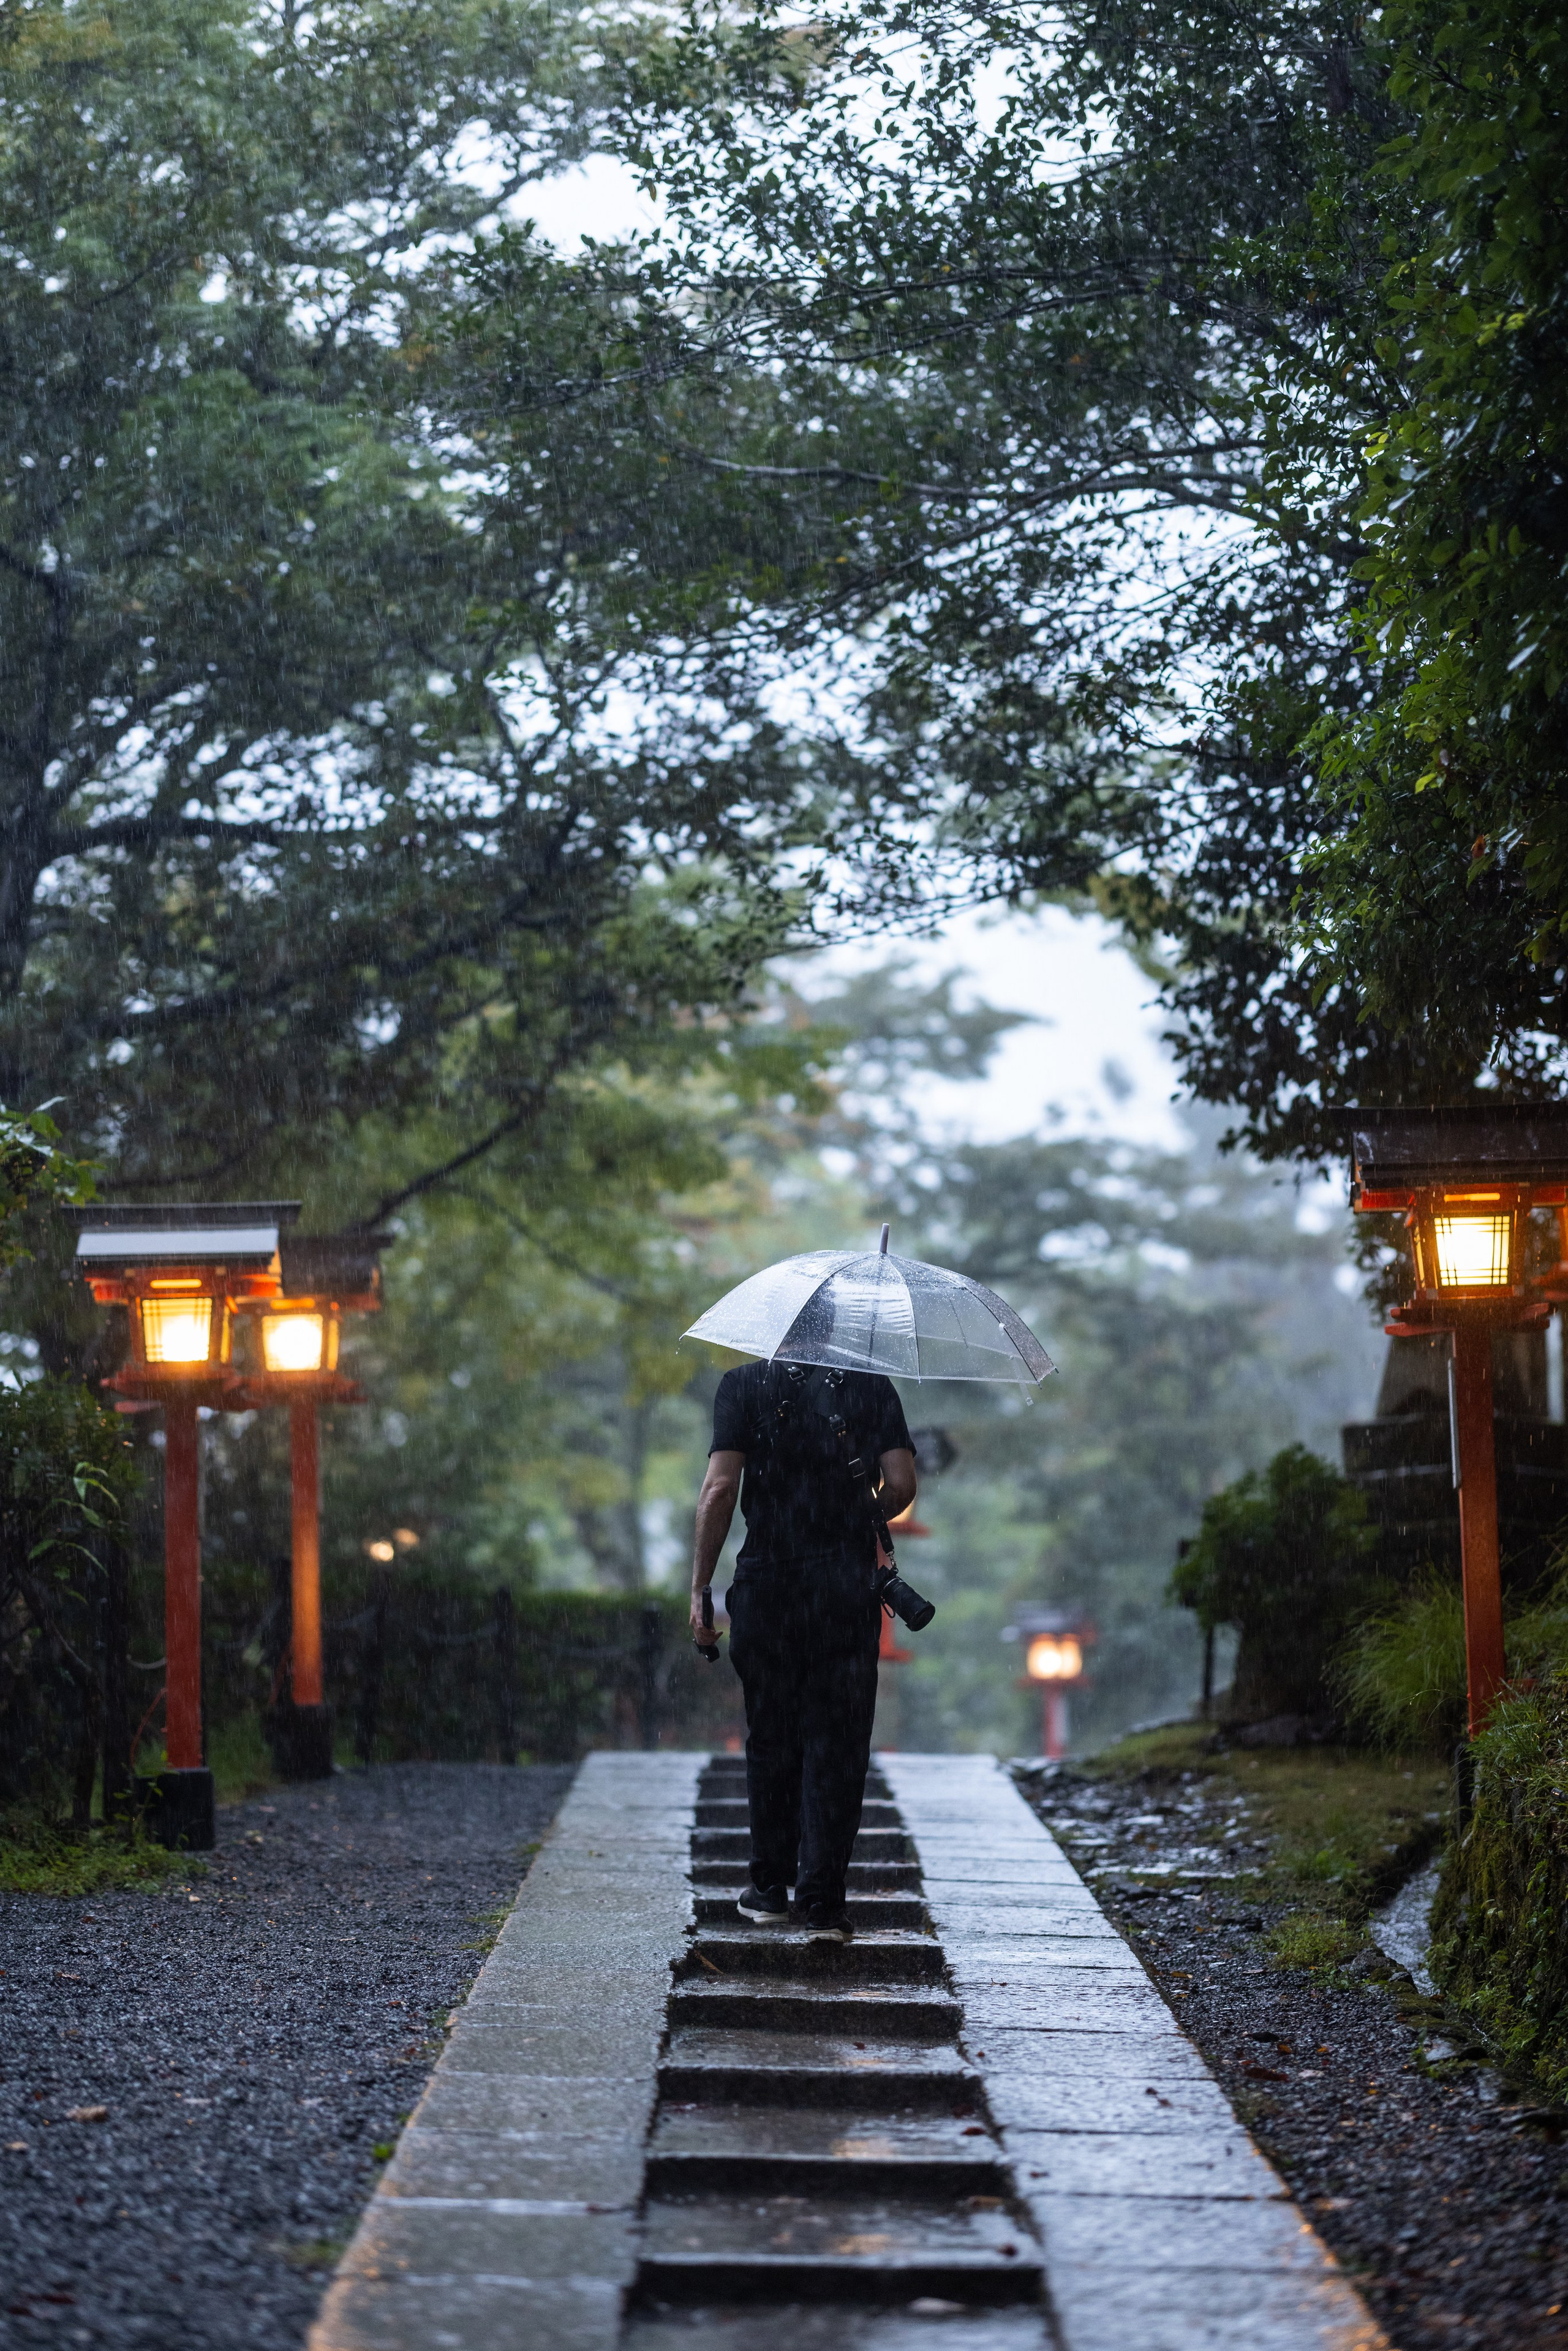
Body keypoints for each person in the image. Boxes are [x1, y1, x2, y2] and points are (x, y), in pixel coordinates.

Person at [689, 1358, 917, 1940]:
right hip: (842, 1588)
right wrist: (852, 1514)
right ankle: (823, 1904)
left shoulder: (742, 1386)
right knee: (838, 1744)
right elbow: (903, 1485)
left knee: (772, 1737)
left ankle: (768, 1887)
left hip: (768, 1588)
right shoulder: (871, 1385)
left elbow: (720, 1488)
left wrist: (700, 1587)